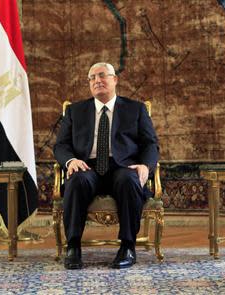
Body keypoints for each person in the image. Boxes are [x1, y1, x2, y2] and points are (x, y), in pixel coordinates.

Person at [54, 62, 159, 270]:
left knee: (130, 179)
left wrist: (145, 166)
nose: (97, 81)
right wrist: (70, 161)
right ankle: (73, 246)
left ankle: (128, 247)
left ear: (115, 80)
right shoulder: (75, 111)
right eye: (92, 78)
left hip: (122, 167)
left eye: (102, 75)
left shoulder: (135, 109)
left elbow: (151, 144)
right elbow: (61, 145)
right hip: (88, 166)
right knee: (76, 180)